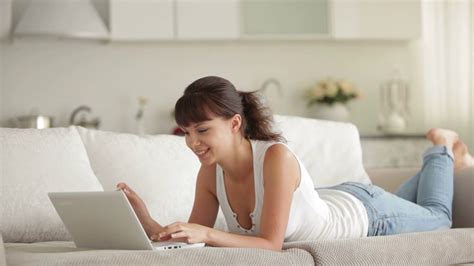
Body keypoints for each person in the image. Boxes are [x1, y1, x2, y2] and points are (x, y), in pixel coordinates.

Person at [117, 76, 474, 251]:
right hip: (337, 198)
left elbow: (270, 244)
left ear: (235, 124)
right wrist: (147, 221)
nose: (193, 142)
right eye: (187, 132)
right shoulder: (210, 172)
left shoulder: (275, 157)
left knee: (439, 219)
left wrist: (208, 233)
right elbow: (193, 238)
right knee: (413, 207)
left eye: (203, 130)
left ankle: (442, 147)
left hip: (367, 215)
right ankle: (442, 160)